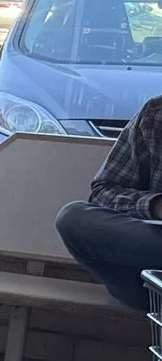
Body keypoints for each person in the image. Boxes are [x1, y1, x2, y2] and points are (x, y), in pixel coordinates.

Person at [57, 92, 162, 308]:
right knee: (73, 218)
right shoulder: (155, 115)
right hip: (155, 249)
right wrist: (155, 206)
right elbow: (103, 191)